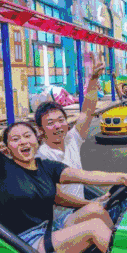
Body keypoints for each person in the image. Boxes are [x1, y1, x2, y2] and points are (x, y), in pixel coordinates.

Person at [0, 56, 127, 253]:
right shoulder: (2, 168)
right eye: (15, 139)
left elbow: (86, 176)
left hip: (51, 228)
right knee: (93, 227)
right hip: (26, 243)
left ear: (36, 138)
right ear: (7, 148)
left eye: (27, 136)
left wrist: (124, 177)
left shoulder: (46, 166)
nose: (23, 141)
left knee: (97, 210)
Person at [35, 52, 104, 222]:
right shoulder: (42, 156)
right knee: (99, 213)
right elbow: (58, 197)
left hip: (80, 208)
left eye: (61, 120)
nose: (58, 126)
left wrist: (93, 79)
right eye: (50, 123)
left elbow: (87, 111)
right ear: (41, 130)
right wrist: (90, 204)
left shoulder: (72, 139)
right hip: (61, 218)